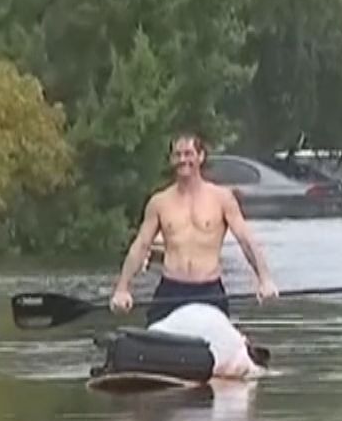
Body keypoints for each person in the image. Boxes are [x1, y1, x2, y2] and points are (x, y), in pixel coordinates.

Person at [110, 133, 279, 324]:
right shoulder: (159, 202)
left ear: (201, 157)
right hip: (171, 289)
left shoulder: (221, 198)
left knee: (216, 346)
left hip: (209, 289)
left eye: (188, 153)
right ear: (171, 159)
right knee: (154, 341)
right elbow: (141, 246)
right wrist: (122, 288)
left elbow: (245, 240)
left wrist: (264, 279)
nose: (183, 160)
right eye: (177, 154)